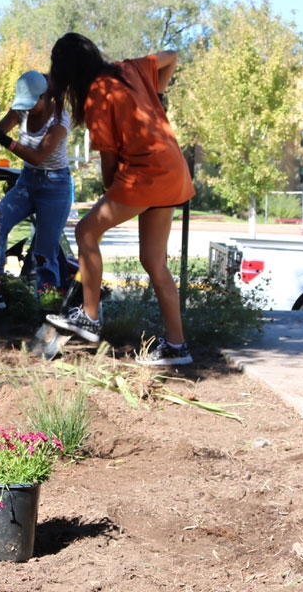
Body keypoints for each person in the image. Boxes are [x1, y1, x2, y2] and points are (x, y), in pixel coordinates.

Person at [44, 32, 194, 366]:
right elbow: (172, 54)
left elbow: (110, 163)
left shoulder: (97, 95)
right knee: (154, 261)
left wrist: (111, 194)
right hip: (172, 169)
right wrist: (157, 91)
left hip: (145, 174)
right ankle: (177, 346)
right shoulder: (129, 69)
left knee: (85, 232)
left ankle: (90, 317)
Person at [0, 70, 75, 308]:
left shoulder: (60, 121)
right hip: (27, 181)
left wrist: (5, 141)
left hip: (55, 186)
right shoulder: (23, 107)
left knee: (44, 254)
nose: (27, 109)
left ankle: (46, 306)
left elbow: (39, 156)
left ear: (44, 97)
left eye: (32, 104)